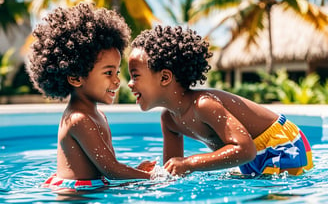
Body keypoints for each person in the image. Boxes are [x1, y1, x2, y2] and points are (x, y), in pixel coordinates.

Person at [127, 25, 313, 177]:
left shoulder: (204, 105)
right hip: (250, 156)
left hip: (280, 144)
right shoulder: (169, 120)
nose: (129, 84)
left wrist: (191, 162)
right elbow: (175, 171)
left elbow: (245, 149)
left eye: (135, 76)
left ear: (165, 77)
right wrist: (151, 174)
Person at [26, 3, 155, 192]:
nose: (117, 81)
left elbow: (106, 167)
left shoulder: (98, 114)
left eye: (117, 71)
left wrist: (135, 172)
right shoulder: (79, 119)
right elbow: (111, 170)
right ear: (76, 78)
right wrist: (155, 178)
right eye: (108, 73)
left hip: (93, 188)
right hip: (75, 195)